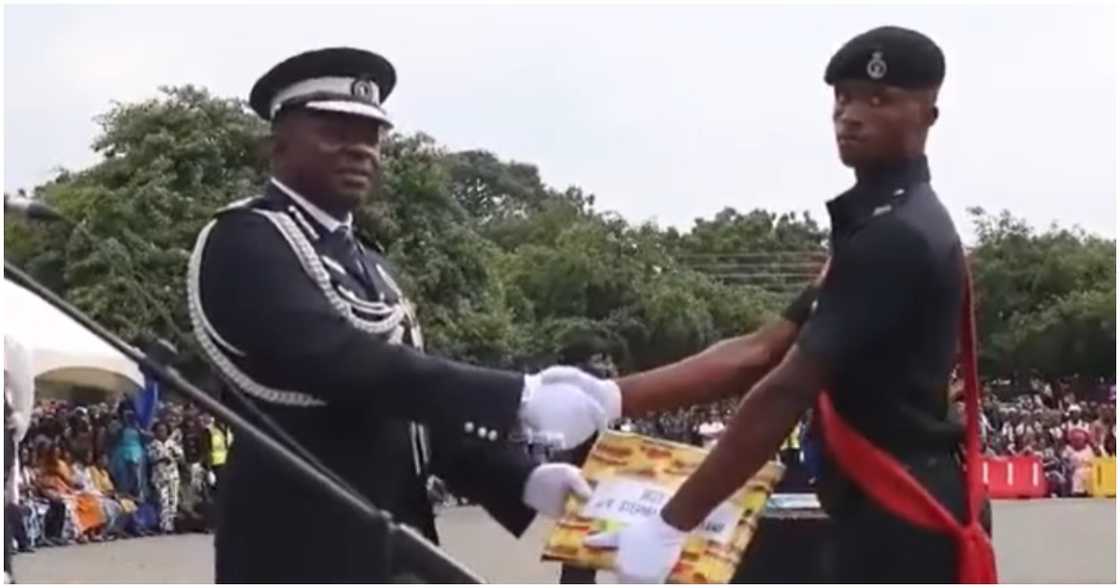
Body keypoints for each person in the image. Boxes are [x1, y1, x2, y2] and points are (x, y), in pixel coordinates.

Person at [562, 26, 995, 583]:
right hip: (885, 500)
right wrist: (609, 397)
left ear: (928, 115)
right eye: (842, 97)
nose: (851, 114)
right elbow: (761, 348)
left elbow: (788, 386)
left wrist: (671, 525)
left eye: (879, 100)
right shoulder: (879, 224)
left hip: (898, 516)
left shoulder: (898, 237)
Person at [186, 47, 614, 583]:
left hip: (393, 546)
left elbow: (412, 418)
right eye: (336, 131)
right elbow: (338, 361)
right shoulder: (247, 239)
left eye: (371, 135)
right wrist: (516, 397)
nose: (360, 150)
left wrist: (522, 480)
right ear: (278, 144)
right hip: (298, 550)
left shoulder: (370, 264)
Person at [147, 421, 183, 533]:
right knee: (163, 501)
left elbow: (180, 455)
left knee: (174, 500)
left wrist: (174, 455)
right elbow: (150, 458)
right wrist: (162, 458)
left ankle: (172, 524)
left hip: (173, 475)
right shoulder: (152, 444)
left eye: (163, 430)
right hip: (160, 476)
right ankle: (164, 526)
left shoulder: (172, 443)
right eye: (159, 430)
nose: (161, 432)